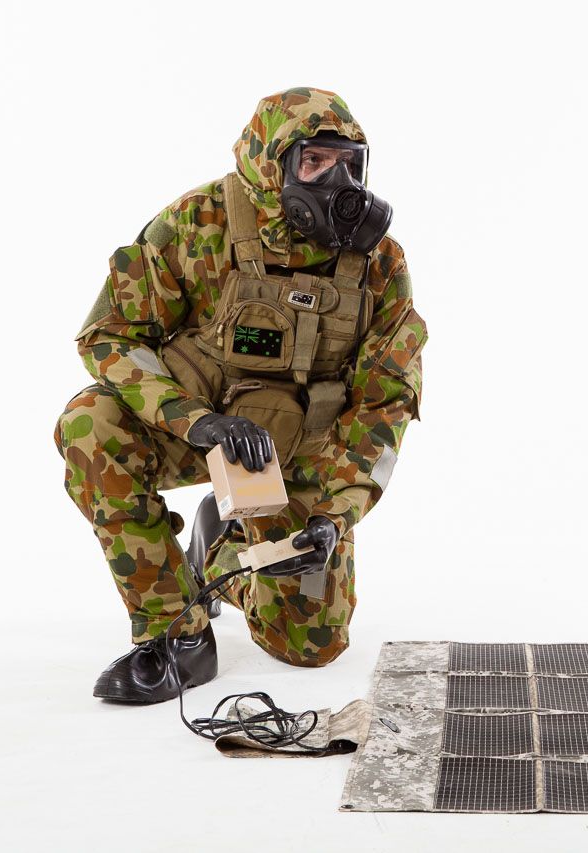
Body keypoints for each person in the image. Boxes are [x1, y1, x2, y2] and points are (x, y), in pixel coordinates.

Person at [53, 87, 426, 704]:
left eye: (348, 164)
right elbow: (111, 335)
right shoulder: (197, 223)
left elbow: (383, 406)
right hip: (203, 430)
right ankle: (177, 634)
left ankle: (221, 554)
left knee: (311, 645)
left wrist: (335, 516)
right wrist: (195, 421)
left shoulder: (379, 263)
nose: (336, 182)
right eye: (314, 162)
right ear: (270, 163)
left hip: (300, 451)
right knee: (90, 425)